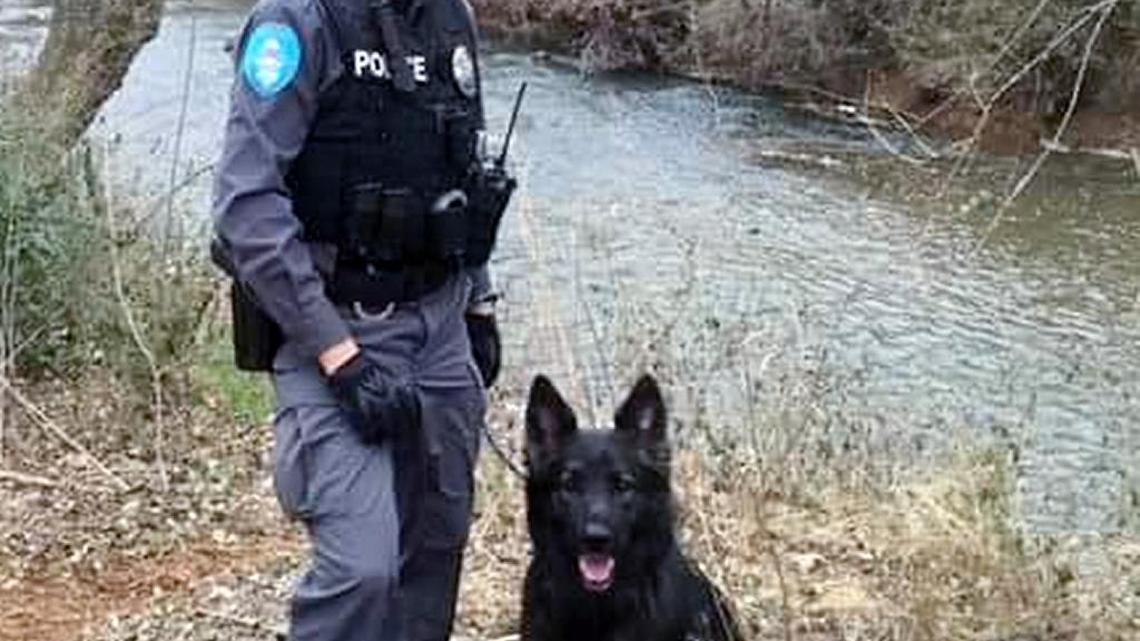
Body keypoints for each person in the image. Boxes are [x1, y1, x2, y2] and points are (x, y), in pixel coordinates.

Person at [210, 0, 514, 638]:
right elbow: (247, 208)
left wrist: (479, 303)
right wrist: (337, 355)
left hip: (441, 324)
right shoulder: (297, 24)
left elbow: (459, 174)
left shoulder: (450, 17)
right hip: (331, 324)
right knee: (363, 569)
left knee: (436, 545)